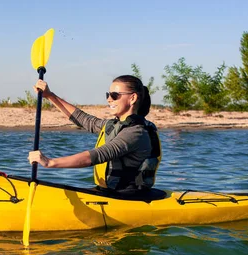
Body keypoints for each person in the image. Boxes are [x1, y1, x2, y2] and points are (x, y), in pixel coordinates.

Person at [28, 75, 161, 197]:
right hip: (108, 192)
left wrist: (50, 162)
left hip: (127, 197)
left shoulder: (136, 133)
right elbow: (82, 119)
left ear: (132, 98)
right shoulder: (114, 125)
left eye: (115, 95)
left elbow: (97, 156)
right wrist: (50, 95)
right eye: (108, 94)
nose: (109, 99)